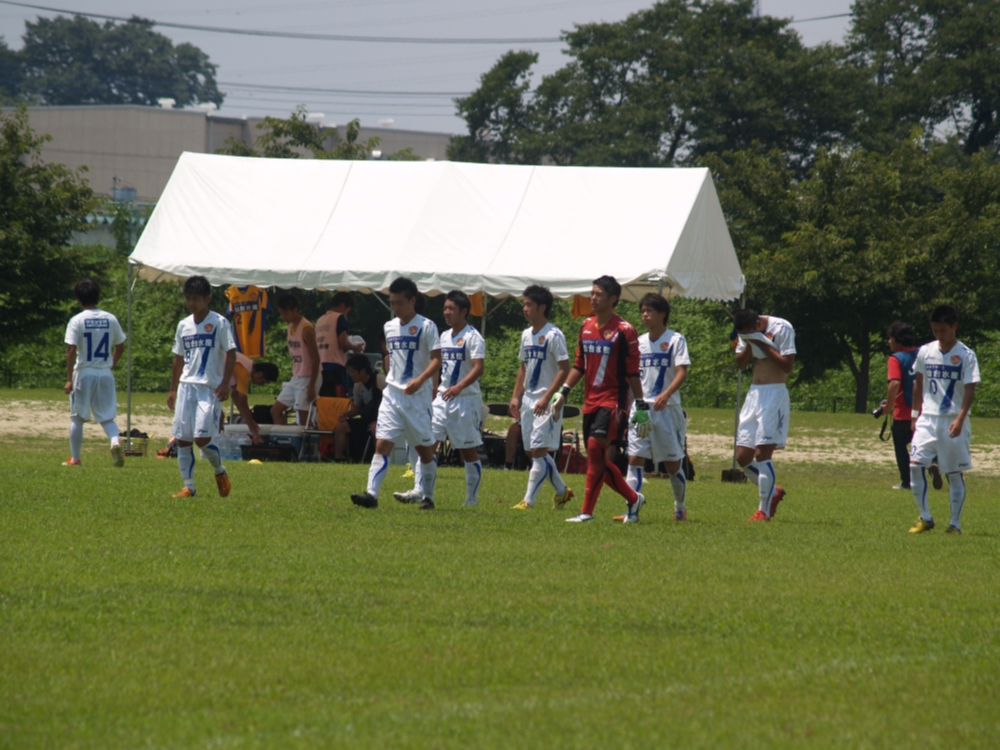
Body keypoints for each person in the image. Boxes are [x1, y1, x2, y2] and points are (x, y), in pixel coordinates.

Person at [552, 275, 646, 523]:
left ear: (613, 299)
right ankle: (633, 499)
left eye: (599, 294)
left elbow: (633, 372)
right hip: (590, 401)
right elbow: (579, 365)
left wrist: (641, 405)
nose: (593, 298)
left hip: (614, 401)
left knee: (595, 449)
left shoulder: (625, 330)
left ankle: (587, 513)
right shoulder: (586, 326)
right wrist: (563, 392)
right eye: (592, 293)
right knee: (598, 459)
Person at [351, 277, 441, 510]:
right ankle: (371, 494)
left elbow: (437, 360)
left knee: (424, 450)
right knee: (382, 444)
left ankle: (428, 497)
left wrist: (421, 380)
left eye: (400, 303)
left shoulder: (427, 326)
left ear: (413, 300)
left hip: (417, 398)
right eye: (392, 303)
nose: (395, 307)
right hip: (392, 395)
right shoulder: (389, 327)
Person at [396, 290, 485, 507]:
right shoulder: (443, 336)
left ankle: (471, 499)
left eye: (451, 309)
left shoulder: (473, 337)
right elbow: (436, 364)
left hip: (465, 400)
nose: (446, 312)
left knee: (468, 451)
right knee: (426, 444)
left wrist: (459, 387)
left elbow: (478, 368)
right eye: (445, 308)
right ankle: (423, 493)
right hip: (442, 400)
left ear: (464, 311)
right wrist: (433, 389)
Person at [907, 305, 980, 535]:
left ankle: (954, 524)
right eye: (935, 330)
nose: (939, 334)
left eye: (943, 330)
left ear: (954, 326)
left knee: (953, 473)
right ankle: (925, 517)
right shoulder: (925, 351)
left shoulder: (966, 355)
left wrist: (960, 418)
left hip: (952, 419)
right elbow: (918, 383)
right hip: (928, 418)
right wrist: (914, 415)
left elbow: (970, 389)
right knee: (915, 465)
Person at [618, 293, 690, 522]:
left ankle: (680, 507)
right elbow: (631, 375)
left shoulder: (676, 340)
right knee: (635, 458)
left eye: (649, 311)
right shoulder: (638, 342)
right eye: (642, 311)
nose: (645, 315)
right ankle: (632, 510)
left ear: (662, 314)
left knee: (672, 465)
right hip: (641, 407)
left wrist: (666, 394)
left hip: (667, 410)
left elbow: (682, 371)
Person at [167, 275, 237, 498]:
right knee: (183, 439)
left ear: (207, 299)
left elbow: (231, 354)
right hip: (186, 387)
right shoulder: (183, 325)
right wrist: (172, 389)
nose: (191, 303)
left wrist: (225, 383)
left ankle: (220, 470)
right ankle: (189, 487)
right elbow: (178, 358)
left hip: (209, 388)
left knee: (202, 439)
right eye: (188, 298)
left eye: (196, 298)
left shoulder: (219, 323)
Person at [509, 284, 573, 510]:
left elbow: (565, 369)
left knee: (538, 452)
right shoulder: (526, 334)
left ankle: (528, 501)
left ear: (542, 307)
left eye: (529, 305)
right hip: (528, 399)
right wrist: (516, 396)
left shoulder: (554, 335)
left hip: (546, 401)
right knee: (531, 451)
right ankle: (562, 491)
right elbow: (523, 367)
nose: (524, 308)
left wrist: (548, 397)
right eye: (524, 304)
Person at [733, 309, 796, 521]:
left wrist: (763, 344)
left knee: (762, 454)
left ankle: (764, 510)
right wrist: (749, 344)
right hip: (754, 394)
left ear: (758, 323)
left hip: (774, 394)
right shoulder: (745, 333)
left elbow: (788, 365)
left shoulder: (782, 327)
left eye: (750, 332)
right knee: (743, 456)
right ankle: (773, 491)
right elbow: (740, 364)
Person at [62, 279, 127, 467]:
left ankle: (75, 458)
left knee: (77, 417)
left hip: (84, 372)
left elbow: (71, 350)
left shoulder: (77, 320)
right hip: (105, 372)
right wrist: (110, 365)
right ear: (98, 296)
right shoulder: (110, 318)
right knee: (107, 416)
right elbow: (120, 346)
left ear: (78, 298)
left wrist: (69, 379)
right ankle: (114, 441)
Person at [272, 293, 320, 427]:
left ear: (295, 310)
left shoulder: (306, 329)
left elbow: (316, 359)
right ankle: (284, 438)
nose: (284, 317)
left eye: (286, 313)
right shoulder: (290, 326)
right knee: (276, 411)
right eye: (281, 314)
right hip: (297, 377)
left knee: (304, 419)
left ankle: (309, 440)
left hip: (308, 377)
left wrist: (312, 385)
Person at [884, 321, 920, 490]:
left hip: (903, 412)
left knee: (901, 447)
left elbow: (895, 383)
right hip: (925, 412)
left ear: (898, 340)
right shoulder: (923, 354)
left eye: (890, 338)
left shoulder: (896, 358)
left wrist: (887, 406)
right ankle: (933, 463)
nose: (889, 341)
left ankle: (907, 481)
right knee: (925, 445)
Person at [334, 353, 383, 461]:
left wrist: (379, 420)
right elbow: (358, 408)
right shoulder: (357, 386)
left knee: (375, 428)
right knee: (341, 426)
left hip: (381, 419)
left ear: (363, 371)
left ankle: (378, 460)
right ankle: (338, 459)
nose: (351, 374)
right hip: (366, 419)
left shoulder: (380, 381)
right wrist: (345, 414)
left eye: (352, 371)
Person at [316, 291, 365, 398]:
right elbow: (342, 343)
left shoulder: (320, 320)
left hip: (319, 365)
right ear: (343, 306)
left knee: (324, 400)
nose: (346, 314)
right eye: (347, 311)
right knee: (337, 400)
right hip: (335, 366)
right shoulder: (339, 318)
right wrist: (354, 347)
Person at [228, 353, 279, 444]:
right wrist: (255, 433)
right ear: (260, 374)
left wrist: (250, 420)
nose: (262, 385)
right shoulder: (245, 370)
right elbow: (243, 403)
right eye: (263, 382)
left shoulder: (246, 364)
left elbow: (235, 395)